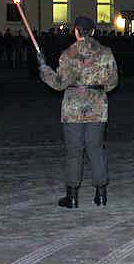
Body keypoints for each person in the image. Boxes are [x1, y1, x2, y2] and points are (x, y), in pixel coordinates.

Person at [37, 16, 118, 209]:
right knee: (96, 149)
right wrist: (96, 91)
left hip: (73, 107)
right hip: (97, 107)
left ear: (76, 31)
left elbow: (59, 83)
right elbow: (113, 82)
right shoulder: (106, 53)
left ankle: (72, 197)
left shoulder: (69, 53)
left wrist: (44, 68)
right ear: (93, 31)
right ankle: (101, 194)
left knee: (74, 152)